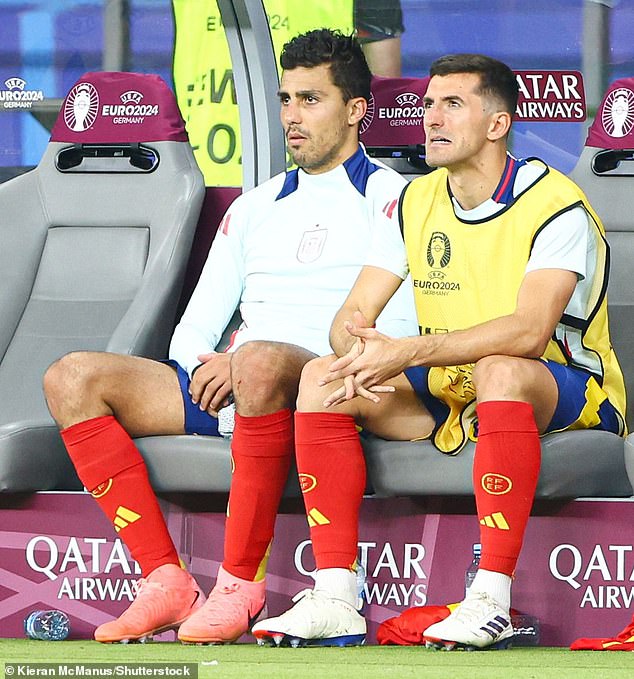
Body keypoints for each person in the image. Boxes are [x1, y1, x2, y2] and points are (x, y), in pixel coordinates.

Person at [42, 28, 416, 645]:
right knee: (72, 377)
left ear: (356, 110)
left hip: (323, 385)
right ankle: (165, 580)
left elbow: (396, 332)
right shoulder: (253, 206)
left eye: (311, 100)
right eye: (286, 100)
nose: (293, 117)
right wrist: (209, 364)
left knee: (263, 361)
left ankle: (239, 585)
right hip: (237, 383)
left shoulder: (397, 199)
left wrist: (251, 363)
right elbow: (192, 329)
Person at [251, 53, 627, 650]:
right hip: (452, 390)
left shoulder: (556, 204)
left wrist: (410, 351)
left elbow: (530, 333)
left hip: (562, 389)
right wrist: (362, 347)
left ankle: (491, 599)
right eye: (428, 104)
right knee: (324, 375)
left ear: (497, 125)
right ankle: (334, 595)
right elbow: (349, 321)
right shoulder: (415, 200)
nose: (430, 118)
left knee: (501, 369)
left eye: (452, 104)